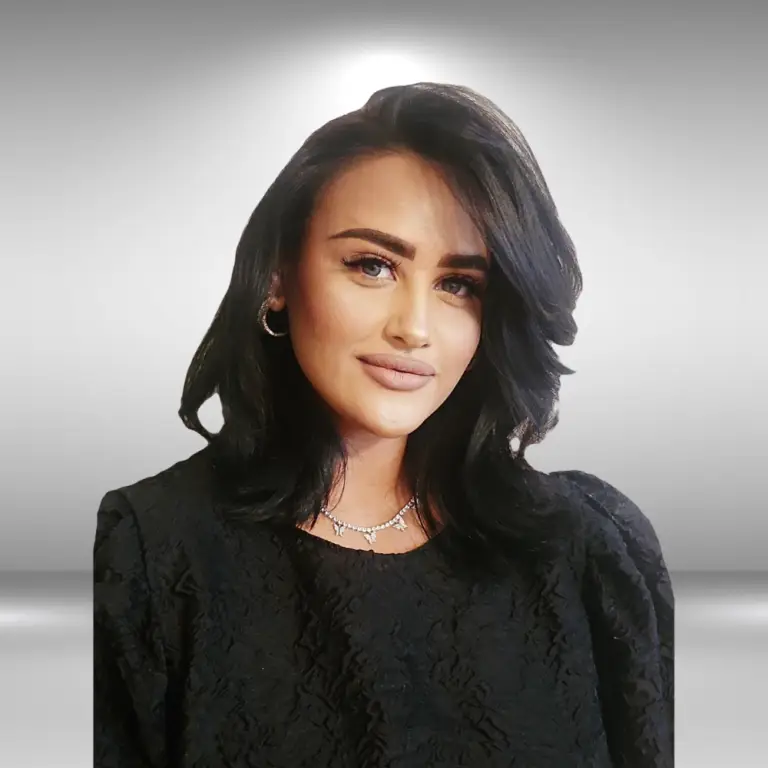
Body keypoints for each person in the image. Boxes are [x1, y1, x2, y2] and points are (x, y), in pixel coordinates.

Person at [93, 82, 674, 767]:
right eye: (373, 266)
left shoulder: (592, 552)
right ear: (279, 275)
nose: (414, 329)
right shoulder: (149, 558)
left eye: (459, 284)